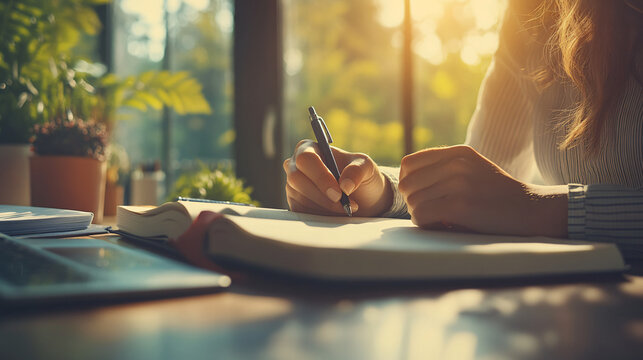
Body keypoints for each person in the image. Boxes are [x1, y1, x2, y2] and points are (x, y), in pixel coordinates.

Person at [283, 0, 643, 250]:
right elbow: (478, 192)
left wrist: (539, 209)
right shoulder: (536, 14)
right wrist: (378, 193)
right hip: (570, 311)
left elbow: (509, 203)